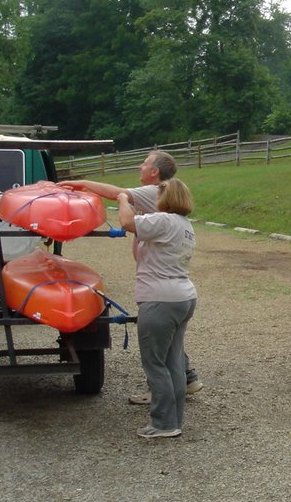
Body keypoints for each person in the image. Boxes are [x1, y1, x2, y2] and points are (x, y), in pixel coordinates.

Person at [62, 150, 203, 403]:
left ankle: (170, 398)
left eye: (145, 163)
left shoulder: (154, 191)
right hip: (170, 287)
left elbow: (115, 193)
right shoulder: (162, 201)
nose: (140, 166)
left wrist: (82, 184)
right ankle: (183, 383)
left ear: (155, 172)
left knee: (159, 347)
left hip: (160, 289)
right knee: (168, 340)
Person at [117, 178, 197, 439]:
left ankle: (162, 423)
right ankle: (173, 421)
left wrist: (122, 199)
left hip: (159, 299)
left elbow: (127, 223)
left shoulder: (164, 221)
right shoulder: (184, 225)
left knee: (155, 363)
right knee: (172, 361)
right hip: (181, 297)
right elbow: (139, 252)